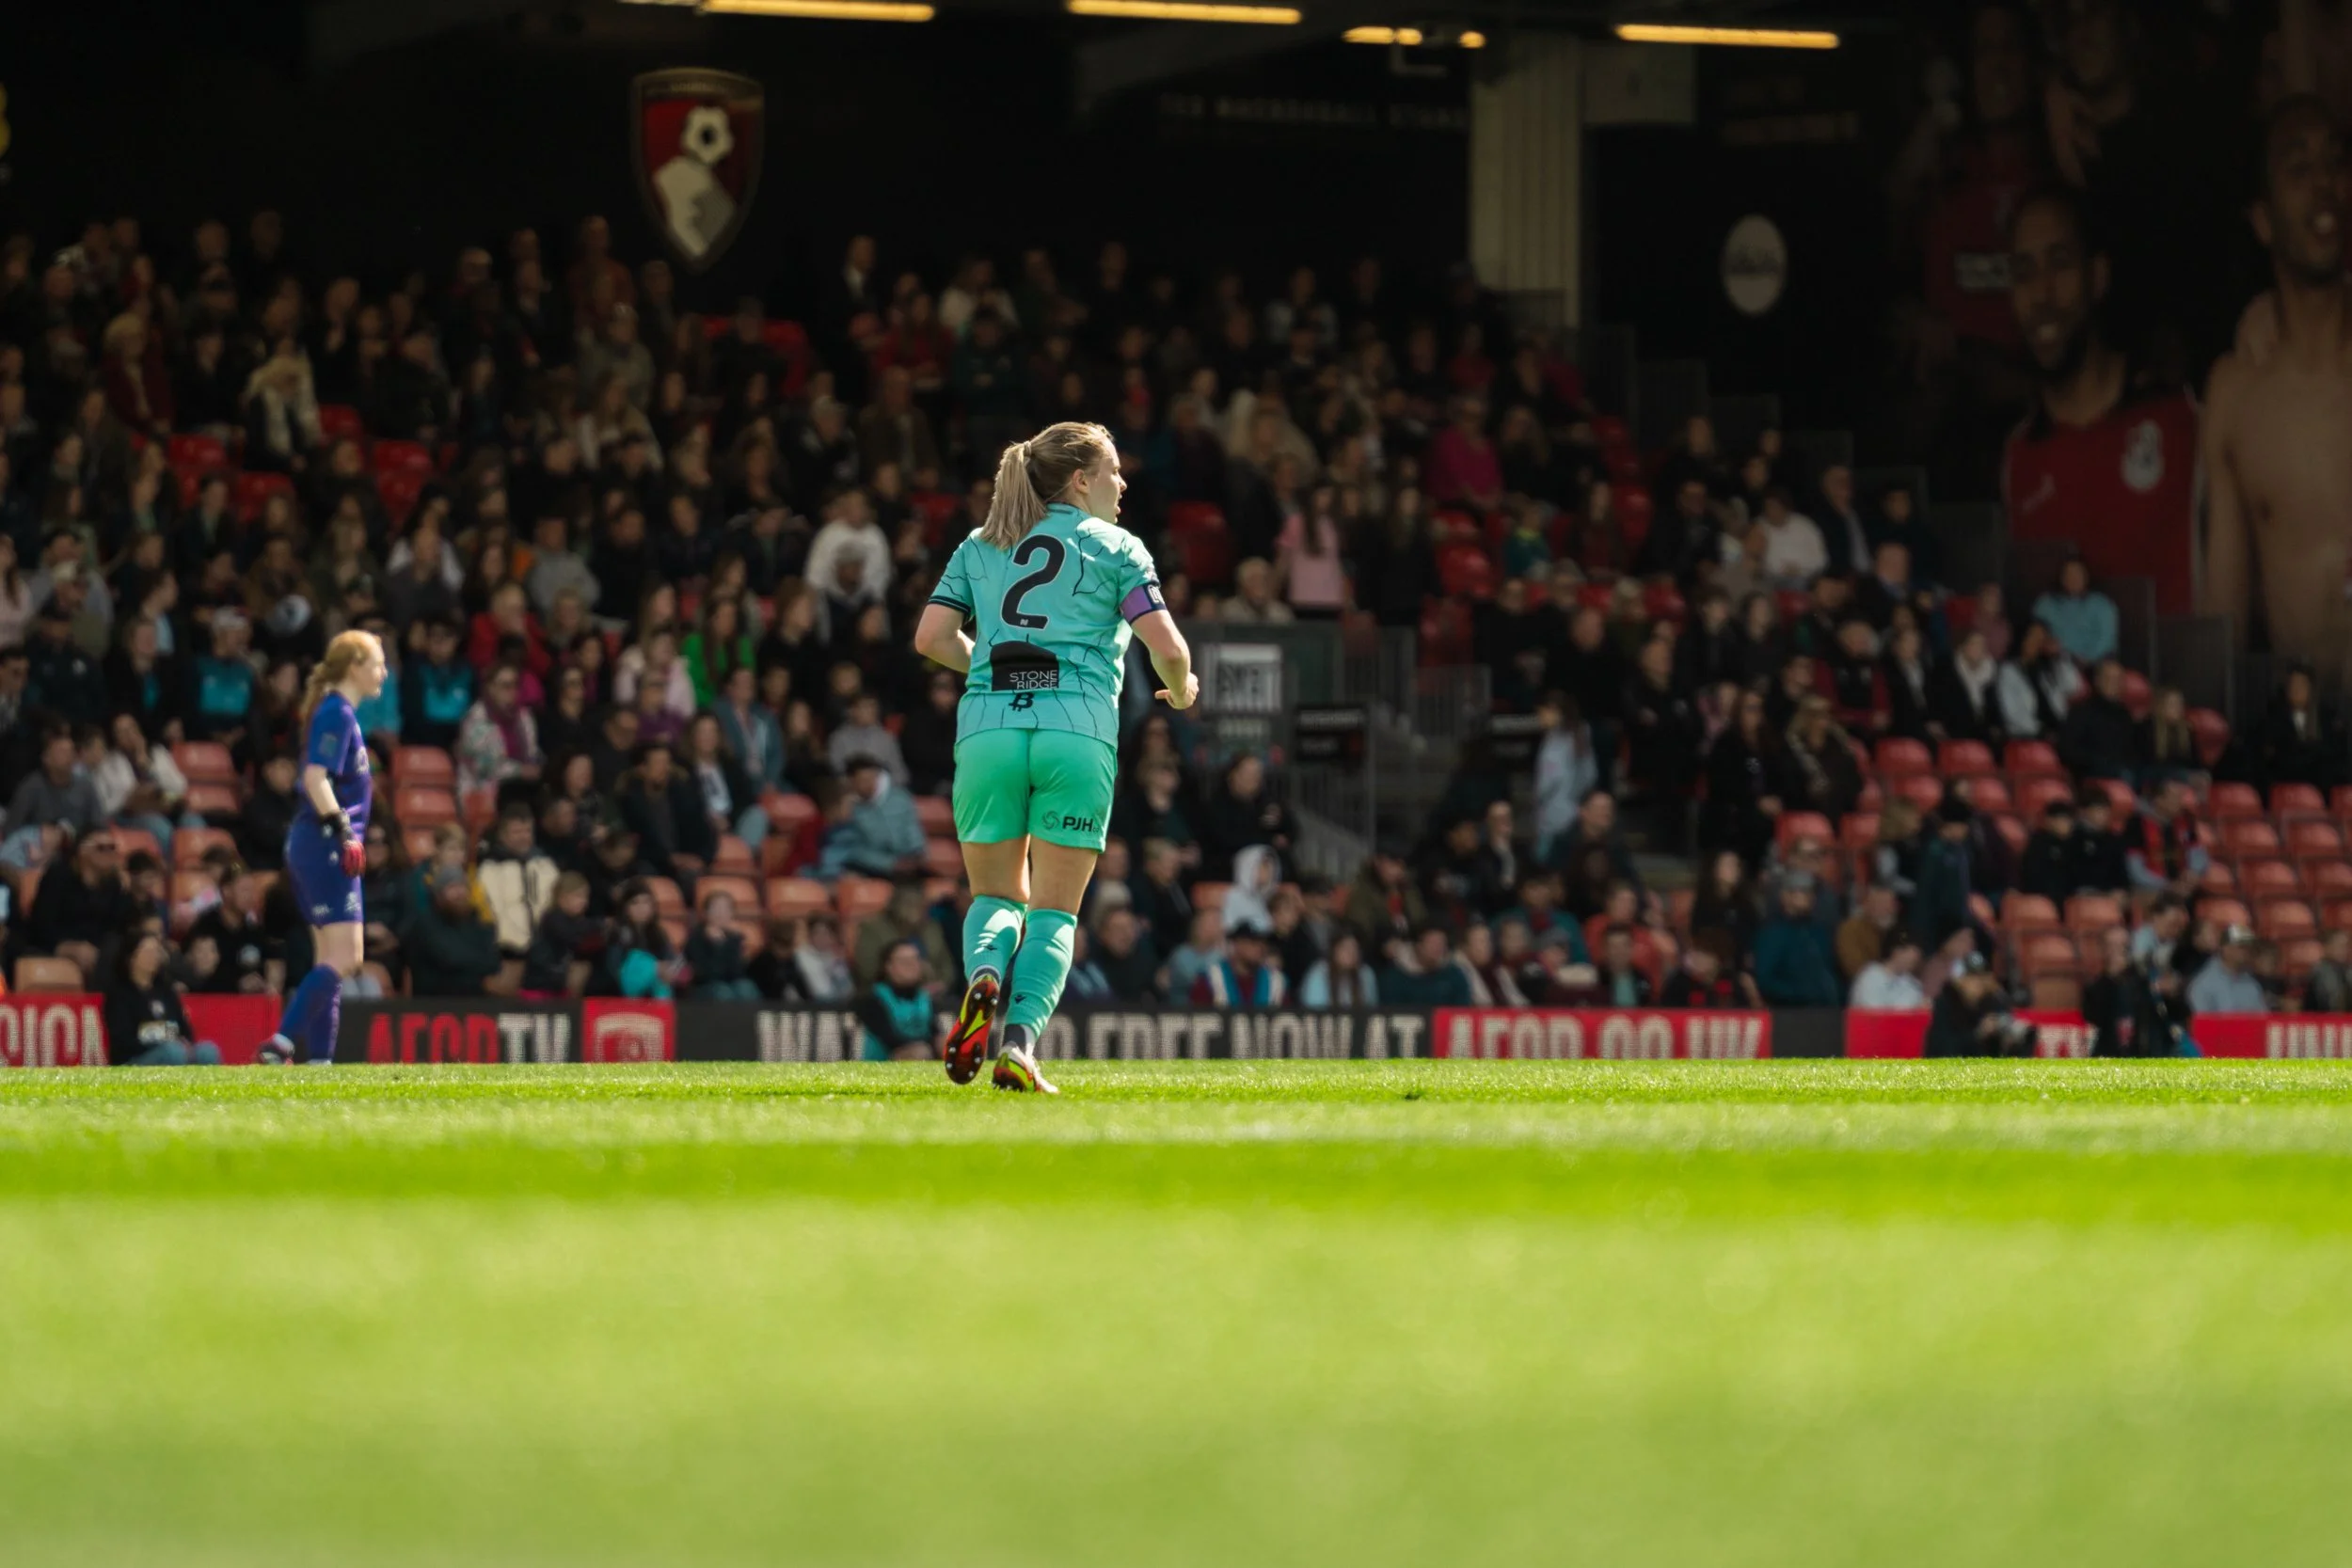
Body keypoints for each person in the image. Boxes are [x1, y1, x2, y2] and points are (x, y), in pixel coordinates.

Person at [913, 420, 1195, 1094]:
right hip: (1077, 729)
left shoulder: (980, 544)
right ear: (1080, 479)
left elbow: (930, 637)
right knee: (1056, 911)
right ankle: (1018, 1044)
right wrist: (1181, 689)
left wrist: (983, 659)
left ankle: (984, 973)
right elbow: (1169, 647)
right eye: (1113, 471)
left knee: (996, 893)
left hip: (988, 729)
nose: (1122, 484)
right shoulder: (1118, 547)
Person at [2203, 98, 2352, 680]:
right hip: (2308, 742)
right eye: (2299, 169)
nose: (2324, 186)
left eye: (2336, 166)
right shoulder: (2235, 397)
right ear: (2263, 221)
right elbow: (2223, 622)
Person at [1998, 185, 2199, 618]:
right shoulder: (2018, 459)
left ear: (2099, 276)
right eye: (2023, 272)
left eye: (2060, 263)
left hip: (2188, 682)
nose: (2042, 293)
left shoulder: (2181, 407)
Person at [258, 630, 385, 1064]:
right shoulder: (337, 713)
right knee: (348, 956)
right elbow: (316, 778)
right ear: (354, 666)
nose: (383, 672)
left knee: (328, 959)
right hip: (325, 843)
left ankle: (319, 1063)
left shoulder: (334, 711)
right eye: (377, 663)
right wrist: (344, 830)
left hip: (312, 844)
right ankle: (281, 1044)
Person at [105, 932, 221, 1067]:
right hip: (135, 1059)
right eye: (148, 952)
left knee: (208, 1051)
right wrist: (160, 1043)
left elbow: (184, 1030)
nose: (154, 957)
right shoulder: (119, 994)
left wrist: (184, 1043)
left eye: (156, 952)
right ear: (131, 957)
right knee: (172, 1052)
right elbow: (123, 1041)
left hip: (171, 1050)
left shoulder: (165, 991)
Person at [2084, 925, 2188, 1057]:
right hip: (2110, 1060)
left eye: (2125, 945)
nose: (2121, 950)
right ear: (2103, 950)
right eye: (2114, 946)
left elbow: (2180, 1014)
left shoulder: (2145, 982)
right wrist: (2110, 978)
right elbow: (2093, 1017)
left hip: (2146, 1058)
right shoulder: (2097, 986)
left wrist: (2171, 994)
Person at [405, 863, 504, 998]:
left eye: (463, 887)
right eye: (452, 887)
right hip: (433, 1003)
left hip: (476, 1000)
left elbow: (494, 964)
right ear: (438, 895)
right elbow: (450, 957)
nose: (460, 893)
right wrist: (478, 962)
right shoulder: (425, 923)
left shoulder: (479, 922)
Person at [1752, 877, 1841, 1006]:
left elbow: (1830, 970)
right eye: (1802, 891)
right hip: (1790, 1013)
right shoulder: (1773, 933)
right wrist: (1801, 994)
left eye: (1811, 892)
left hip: (1828, 1010)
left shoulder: (1820, 931)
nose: (1808, 897)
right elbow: (1765, 980)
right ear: (1785, 896)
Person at [856, 939, 946, 1061]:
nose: (912, 965)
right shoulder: (873, 998)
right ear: (888, 966)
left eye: (915, 959)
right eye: (904, 961)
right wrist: (928, 1046)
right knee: (920, 1052)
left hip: (923, 1050)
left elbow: (934, 1032)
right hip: (886, 1060)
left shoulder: (924, 997)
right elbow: (890, 1039)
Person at [1924, 952, 2020, 1057]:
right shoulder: (1946, 1003)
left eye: (1981, 978)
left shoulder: (1992, 1002)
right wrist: (1978, 1034)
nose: (1977, 983)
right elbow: (1946, 1048)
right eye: (1971, 978)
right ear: (1959, 980)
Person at [2031, 557, 2120, 666]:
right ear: (2061, 578)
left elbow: (2106, 643)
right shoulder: (2047, 604)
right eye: (2068, 574)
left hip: (2094, 665)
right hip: (2055, 665)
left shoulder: (2102, 605)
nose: (2073, 578)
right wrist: (2044, 645)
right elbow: (2035, 636)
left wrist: (2085, 660)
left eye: (2077, 574)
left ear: (2086, 577)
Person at [685, 891, 759, 1000]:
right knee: (722, 991)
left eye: (726, 909)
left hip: (730, 986)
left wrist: (728, 943)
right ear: (705, 913)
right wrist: (718, 946)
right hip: (704, 988)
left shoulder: (734, 937)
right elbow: (707, 975)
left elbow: (737, 972)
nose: (721, 913)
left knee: (746, 987)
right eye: (716, 908)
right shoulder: (696, 937)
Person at [2187, 924, 2269, 1016]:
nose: (2247, 952)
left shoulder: (2252, 984)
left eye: (2249, 947)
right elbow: (2204, 1025)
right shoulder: (2203, 983)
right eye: (2242, 947)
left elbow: (2263, 1020)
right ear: (2225, 948)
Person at [1849, 930, 1928, 1010]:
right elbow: (1872, 1013)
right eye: (1912, 950)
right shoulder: (1870, 977)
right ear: (1896, 951)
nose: (1916, 956)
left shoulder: (1912, 984)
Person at [2303, 927, 2352, 1014]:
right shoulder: (2319, 972)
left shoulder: (2348, 970)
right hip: (2325, 1021)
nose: (2344, 950)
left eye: (2346, 945)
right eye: (2339, 945)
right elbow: (2329, 1005)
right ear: (2327, 947)